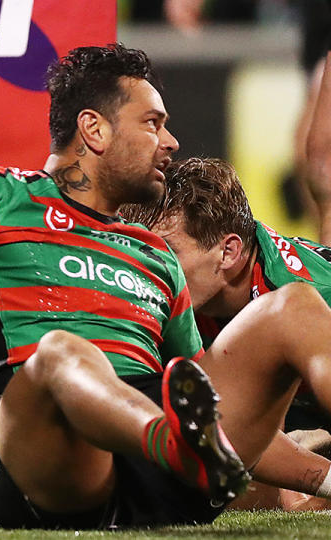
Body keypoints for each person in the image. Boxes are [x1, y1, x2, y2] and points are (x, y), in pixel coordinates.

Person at [0, 43, 331, 529]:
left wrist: (319, 477)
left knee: (295, 306)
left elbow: (202, 403)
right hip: (49, 465)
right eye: (153, 123)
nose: (171, 141)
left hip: (161, 469)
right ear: (95, 130)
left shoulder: (155, 255)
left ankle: (182, 451)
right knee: (60, 352)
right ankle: (171, 446)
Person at [119, 156, 331, 510]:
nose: (146, 269)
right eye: (141, 250)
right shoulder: (191, 293)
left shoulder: (308, 297)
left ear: (228, 252)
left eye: (167, 251)